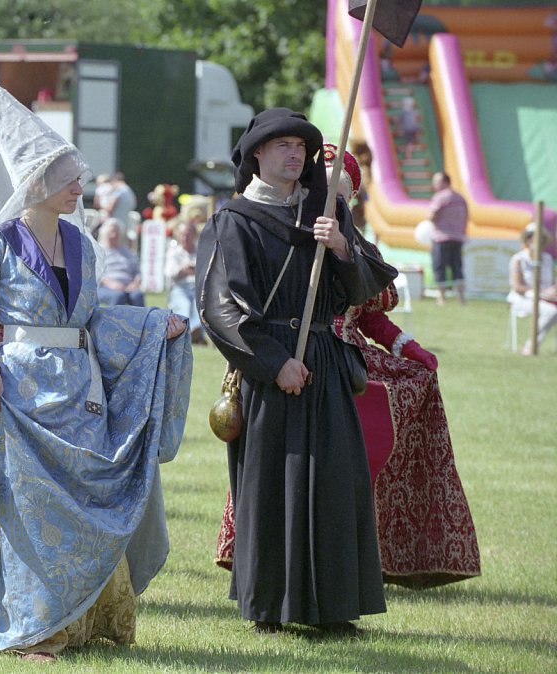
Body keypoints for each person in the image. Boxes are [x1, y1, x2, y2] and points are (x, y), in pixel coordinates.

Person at [0, 62, 192, 661]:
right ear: (36, 183)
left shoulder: (84, 245)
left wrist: (153, 324)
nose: (78, 186)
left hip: (80, 392)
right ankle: (39, 626)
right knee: (31, 509)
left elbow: (91, 320)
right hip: (20, 393)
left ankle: (90, 621)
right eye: (67, 177)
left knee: (85, 502)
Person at [216, 145, 481, 591]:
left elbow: (372, 315)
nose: (329, 197)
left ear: (352, 198)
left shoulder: (357, 244)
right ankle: (266, 556)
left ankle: (362, 555)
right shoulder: (279, 228)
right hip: (289, 356)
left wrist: (408, 347)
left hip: (348, 360)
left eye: (341, 191)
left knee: (365, 451)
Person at [196, 108, 395, 634]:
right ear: (257, 153)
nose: (293, 153)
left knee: (335, 483)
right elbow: (220, 309)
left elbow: (363, 291)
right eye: (281, 144)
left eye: (301, 146)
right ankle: (270, 610)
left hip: (324, 361)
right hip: (270, 368)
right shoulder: (233, 221)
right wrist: (273, 362)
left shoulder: (327, 212)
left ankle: (335, 609)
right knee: (271, 488)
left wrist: (341, 249)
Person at [508, 223, 557, 354]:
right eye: (532, 238)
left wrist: (552, 292)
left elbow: (552, 283)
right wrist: (541, 292)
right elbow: (517, 287)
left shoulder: (547, 259)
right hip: (523, 299)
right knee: (551, 312)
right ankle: (530, 347)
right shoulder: (518, 259)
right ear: (528, 239)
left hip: (547, 299)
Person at [428, 172, 468, 305]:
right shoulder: (460, 198)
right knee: (457, 267)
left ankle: (442, 297)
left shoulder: (440, 197)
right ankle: (461, 297)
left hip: (441, 237)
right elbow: (466, 216)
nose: (434, 184)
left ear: (444, 182)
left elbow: (433, 215)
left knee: (440, 267)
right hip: (457, 238)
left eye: (436, 181)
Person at [165, 219, 203, 343]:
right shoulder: (174, 252)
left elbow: (207, 272)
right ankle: (190, 331)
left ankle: (192, 330)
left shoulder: (202, 252)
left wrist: (193, 269)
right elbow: (170, 273)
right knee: (184, 306)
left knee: (200, 306)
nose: (185, 237)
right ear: (178, 235)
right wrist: (184, 269)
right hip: (180, 287)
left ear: (194, 236)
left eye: (188, 234)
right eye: (183, 234)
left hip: (198, 288)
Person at [96, 218, 145, 307]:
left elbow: (138, 272)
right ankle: (114, 321)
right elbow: (96, 273)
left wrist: (134, 284)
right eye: (111, 232)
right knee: (118, 296)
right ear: (105, 234)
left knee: (138, 295)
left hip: (129, 287)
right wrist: (111, 284)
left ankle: (140, 320)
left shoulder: (127, 251)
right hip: (106, 287)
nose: (114, 235)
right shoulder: (99, 251)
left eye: (117, 233)